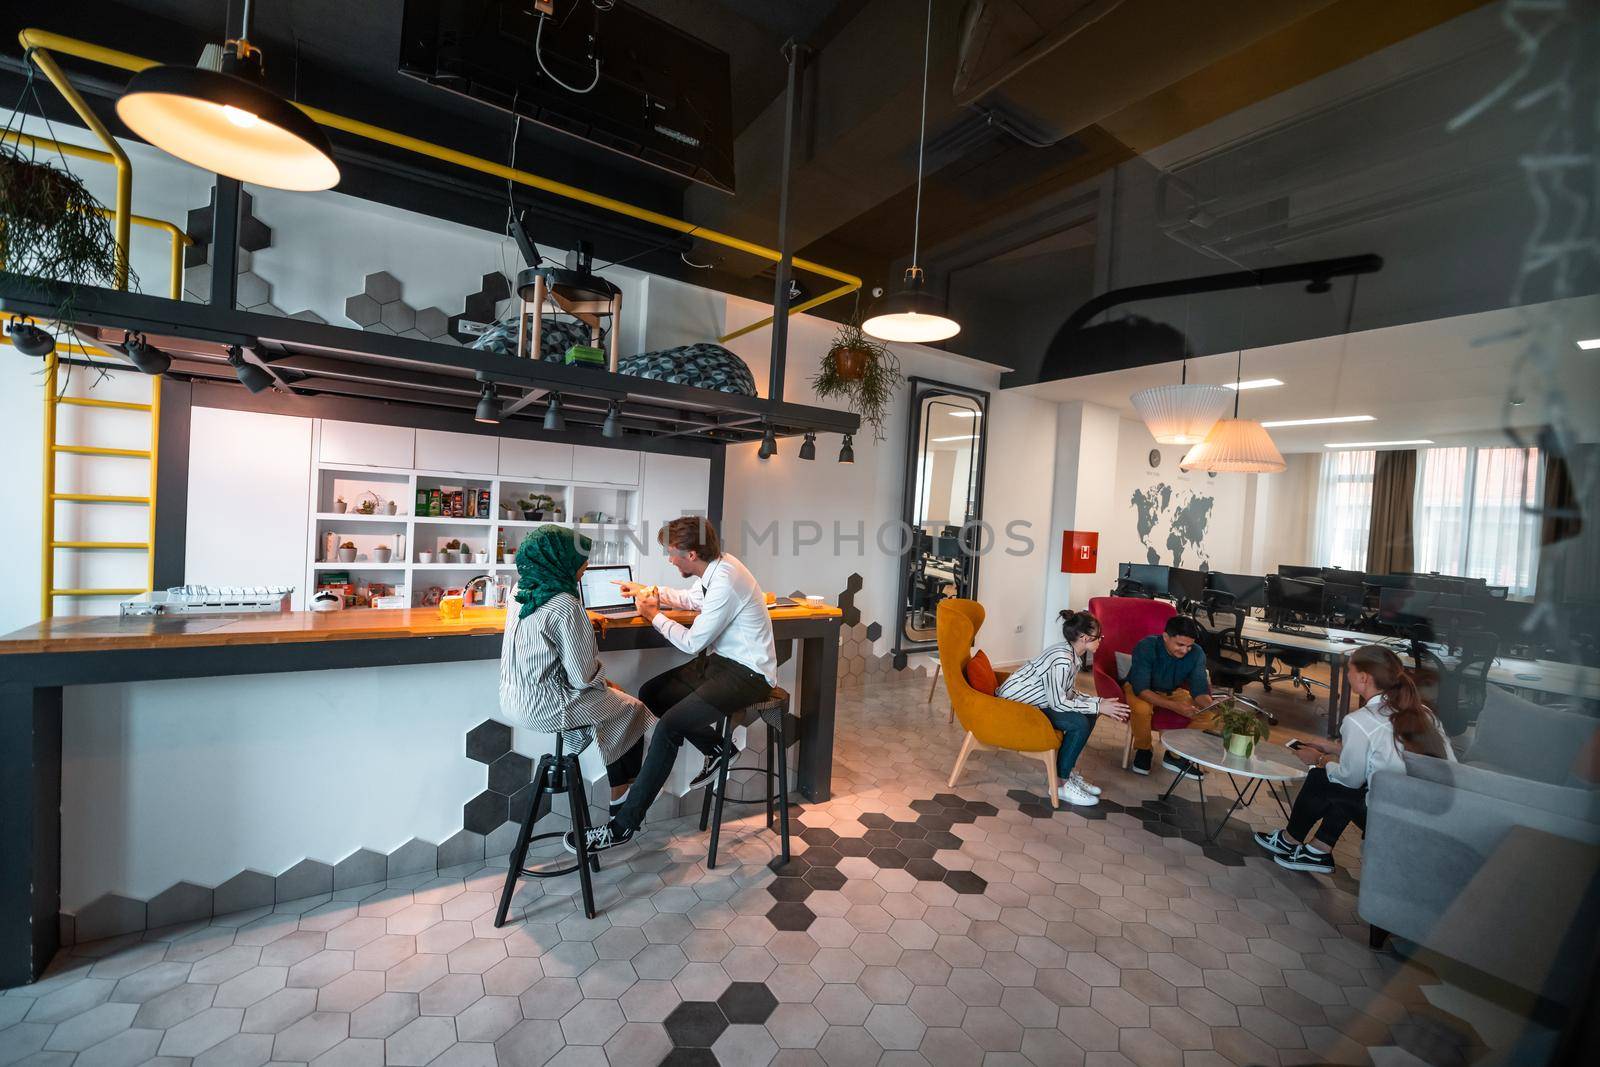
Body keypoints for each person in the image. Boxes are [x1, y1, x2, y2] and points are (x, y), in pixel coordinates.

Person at [567, 517, 777, 853]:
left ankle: (623, 826)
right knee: (651, 694)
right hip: (722, 664)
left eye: (672, 553)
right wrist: (650, 592)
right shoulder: (717, 567)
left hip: (749, 675)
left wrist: (653, 616)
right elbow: (693, 600)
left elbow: (693, 642)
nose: (669, 559)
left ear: (691, 554)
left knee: (668, 728)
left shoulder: (727, 579)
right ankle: (719, 749)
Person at [1255, 644, 1456, 875]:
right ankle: (1317, 850)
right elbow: (1386, 755)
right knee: (1355, 780)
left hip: (1396, 819)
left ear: (1363, 678)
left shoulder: (1360, 720)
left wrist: (1319, 758)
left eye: (1348, 669)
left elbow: (1349, 778)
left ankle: (1289, 839)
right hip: (1436, 814)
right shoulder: (1421, 711)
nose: (1346, 674)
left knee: (1323, 777)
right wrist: (1334, 748)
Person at [499, 526, 653, 808]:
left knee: (610, 702)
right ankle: (623, 800)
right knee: (632, 709)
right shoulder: (566, 606)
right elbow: (583, 677)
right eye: (581, 557)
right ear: (560, 559)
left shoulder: (519, 590)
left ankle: (582, 755)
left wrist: (583, 616)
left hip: (512, 699)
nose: (587, 565)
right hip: (548, 708)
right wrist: (606, 683)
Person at [997, 610, 1131, 806]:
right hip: (1017, 706)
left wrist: (1098, 703)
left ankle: (1064, 774)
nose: (1101, 640)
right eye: (1099, 636)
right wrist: (1097, 705)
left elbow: (1068, 693)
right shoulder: (1062, 659)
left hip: (1037, 702)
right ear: (1085, 638)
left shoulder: (1070, 655)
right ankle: (1060, 785)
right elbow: (1058, 703)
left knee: (1090, 715)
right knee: (1079, 723)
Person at [1123, 615, 1218, 779]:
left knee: (1210, 715)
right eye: (1180, 644)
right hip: (1140, 688)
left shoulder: (1197, 653)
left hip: (1172, 691)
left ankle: (1176, 755)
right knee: (1141, 709)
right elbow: (1141, 689)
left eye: (1189, 646)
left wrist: (1212, 705)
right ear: (1166, 636)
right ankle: (1144, 749)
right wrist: (1176, 707)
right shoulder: (1147, 646)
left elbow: (1199, 690)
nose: (1185, 650)